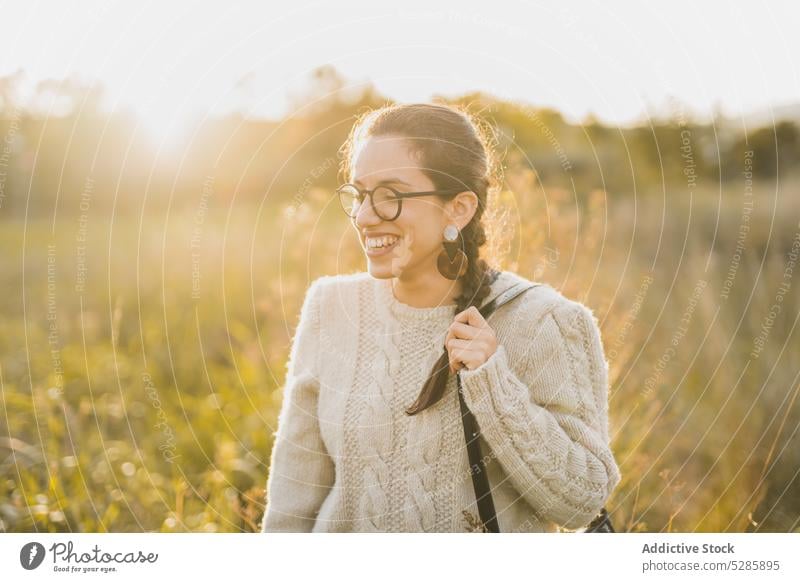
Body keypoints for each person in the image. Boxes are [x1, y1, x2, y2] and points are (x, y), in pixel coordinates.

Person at [260, 102, 620, 532]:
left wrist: (493, 381)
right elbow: (290, 506)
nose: (364, 216)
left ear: (459, 209)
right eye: (359, 195)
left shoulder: (545, 321)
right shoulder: (330, 307)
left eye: (390, 195)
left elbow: (582, 500)